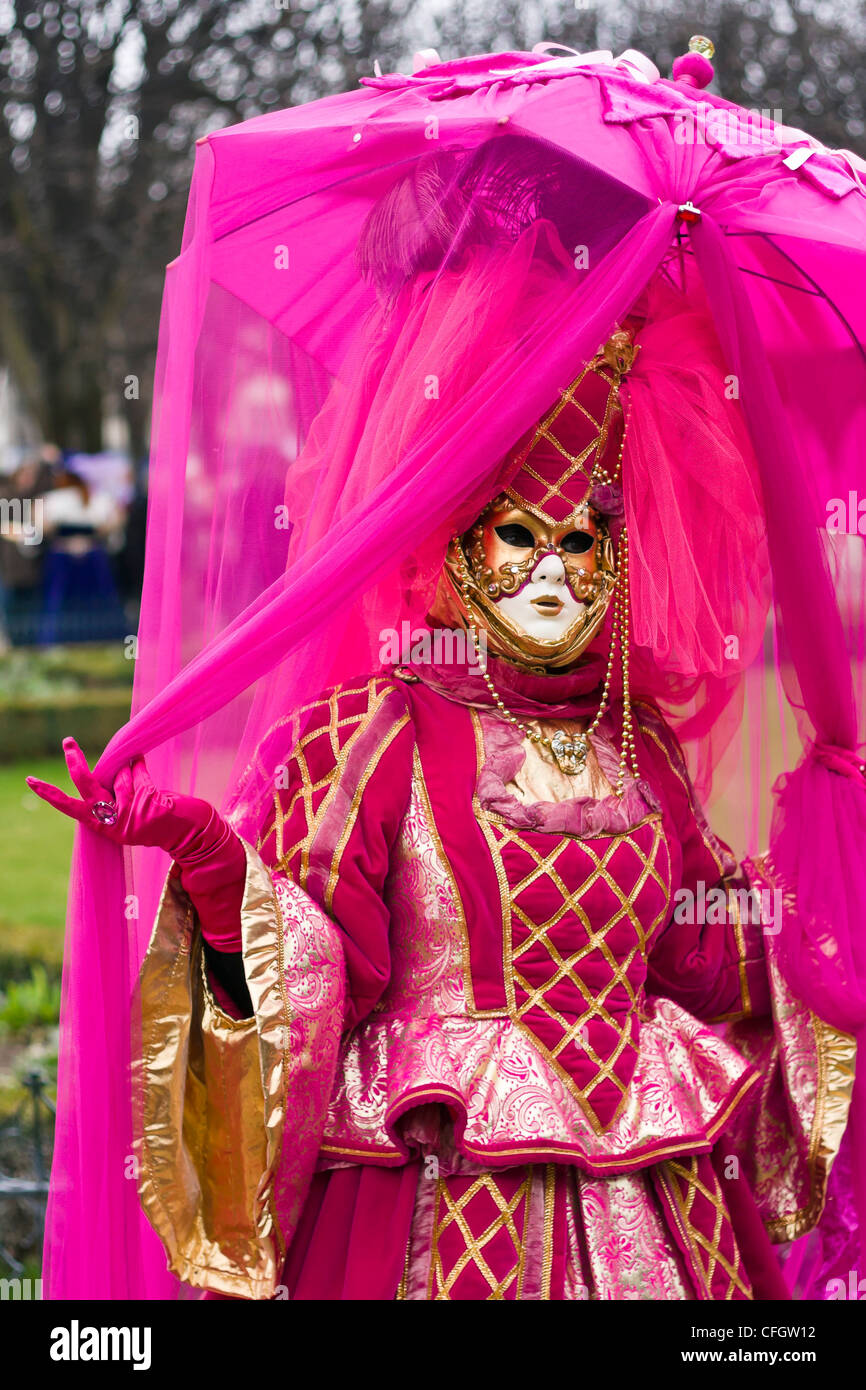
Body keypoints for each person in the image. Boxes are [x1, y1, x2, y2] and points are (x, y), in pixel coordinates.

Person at [29, 323, 854, 1301]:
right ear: (456, 545)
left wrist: (825, 886)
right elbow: (313, 962)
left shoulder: (641, 744)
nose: (552, 570)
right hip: (436, 1190)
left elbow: (705, 960)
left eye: (580, 539)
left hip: (657, 1191)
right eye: (519, 533)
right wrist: (206, 851)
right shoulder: (380, 732)